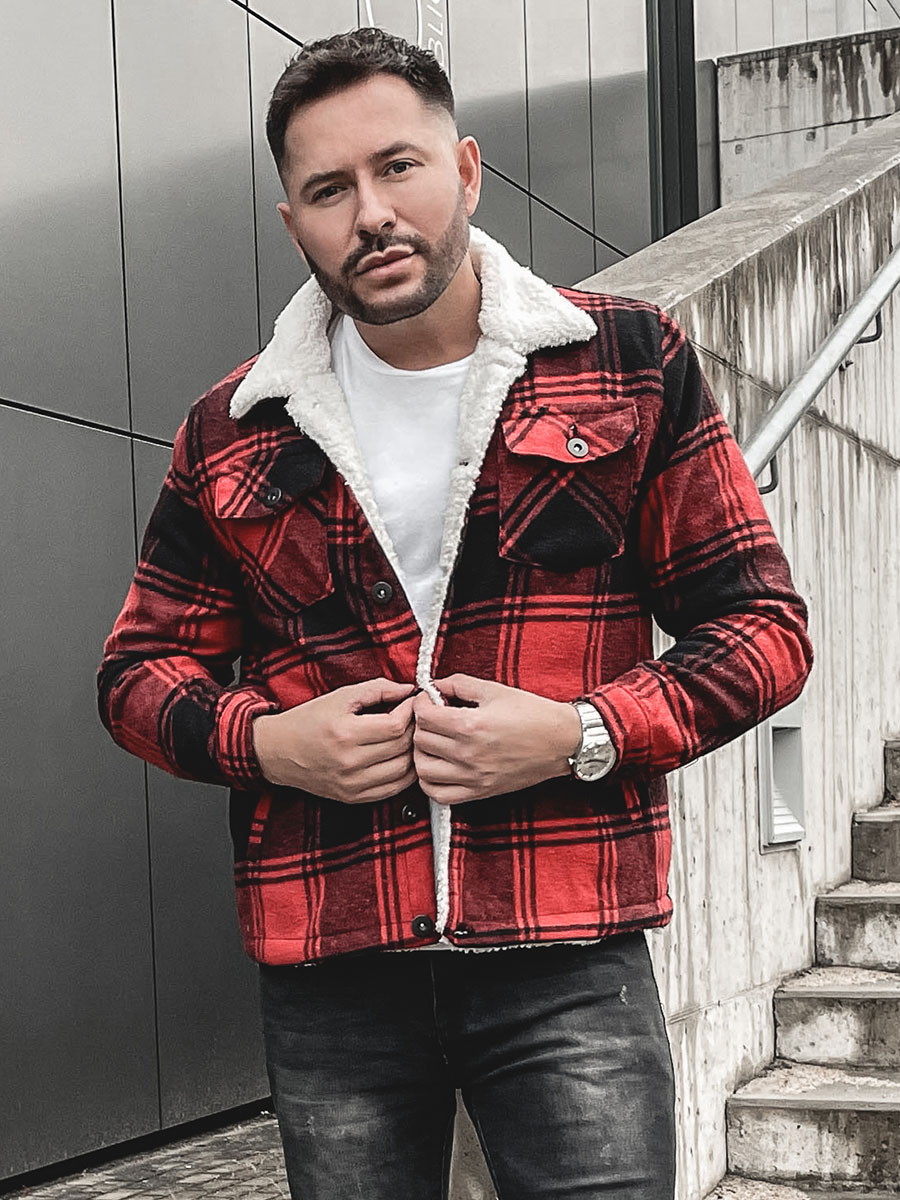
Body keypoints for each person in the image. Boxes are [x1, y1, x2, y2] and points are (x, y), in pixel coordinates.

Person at [97, 27, 813, 1200]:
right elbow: (136, 674)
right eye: (329, 189)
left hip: (566, 948)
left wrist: (580, 732)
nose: (371, 214)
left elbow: (762, 628)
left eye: (399, 167)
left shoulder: (624, 361)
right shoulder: (232, 429)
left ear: (467, 170)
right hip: (332, 963)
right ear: (293, 222)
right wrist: (268, 744)